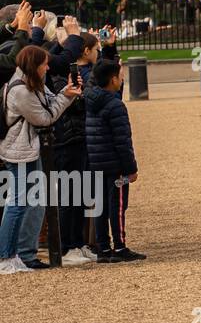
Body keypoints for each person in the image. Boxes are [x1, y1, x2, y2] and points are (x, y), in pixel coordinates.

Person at [0, 45, 81, 273]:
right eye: (44, 64)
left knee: (32, 201)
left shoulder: (30, 82)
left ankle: (23, 254)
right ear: (34, 66)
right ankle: (6, 257)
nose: (48, 67)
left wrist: (66, 92)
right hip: (19, 151)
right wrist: (66, 98)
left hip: (27, 148)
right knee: (17, 203)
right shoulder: (21, 91)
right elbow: (45, 118)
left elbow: (50, 102)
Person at [48, 28, 119, 265]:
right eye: (97, 49)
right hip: (68, 139)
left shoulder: (78, 70)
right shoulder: (65, 71)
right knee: (70, 196)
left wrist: (109, 49)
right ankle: (68, 246)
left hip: (80, 138)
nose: (98, 53)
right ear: (84, 50)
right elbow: (78, 100)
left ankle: (78, 243)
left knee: (80, 196)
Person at [85, 60, 144, 263]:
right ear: (112, 80)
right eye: (120, 76)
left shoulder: (91, 99)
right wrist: (131, 169)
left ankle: (103, 247)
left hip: (97, 162)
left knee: (100, 205)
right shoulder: (115, 105)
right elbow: (123, 142)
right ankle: (119, 246)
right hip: (115, 165)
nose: (122, 79)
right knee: (117, 205)